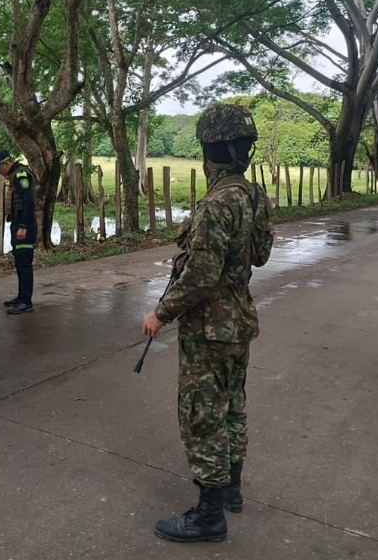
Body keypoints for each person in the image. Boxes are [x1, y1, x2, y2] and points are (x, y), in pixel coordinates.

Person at [141, 103, 274, 543]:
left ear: (210, 149)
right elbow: (261, 254)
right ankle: (231, 489)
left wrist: (160, 313)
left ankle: (209, 515)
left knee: (203, 416)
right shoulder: (254, 195)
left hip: (210, 331)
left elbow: (199, 277)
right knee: (233, 406)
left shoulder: (218, 202)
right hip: (239, 321)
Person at [0, 149, 36, 315]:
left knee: (24, 263)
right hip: (17, 222)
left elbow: (28, 202)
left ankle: (26, 301)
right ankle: (21, 297)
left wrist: (23, 226)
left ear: (6, 163)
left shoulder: (20, 175)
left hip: (24, 224)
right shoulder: (15, 174)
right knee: (19, 261)